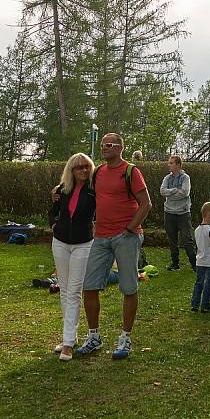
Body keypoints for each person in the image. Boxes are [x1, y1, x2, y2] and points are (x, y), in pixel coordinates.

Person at [76, 133, 151, 360]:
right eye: (102, 145)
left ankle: (125, 338)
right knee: (89, 286)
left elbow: (146, 204)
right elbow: (77, 186)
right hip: (100, 237)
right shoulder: (97, 172)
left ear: (120, 148)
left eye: (108, 145)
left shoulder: (131, 171)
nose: (103, 148)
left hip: (125, 237)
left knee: (129, 288)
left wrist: (130, 229)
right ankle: (94, 337)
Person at [49, 153, 95, 361]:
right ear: (71, 170)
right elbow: (53, 210)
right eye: (79, 167)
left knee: (75, 291)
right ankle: (71, 336)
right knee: (64, 290)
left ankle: (68, 343)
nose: (83, 171)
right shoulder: (62, 190)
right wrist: (54, 224)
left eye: (86, 167)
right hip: (60, 242)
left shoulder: (94, 191)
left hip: (83, 244)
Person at [160, 155, 196, 272]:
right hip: (169, 213)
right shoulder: (166, 178)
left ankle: (194, 264)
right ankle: (175, 264)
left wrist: (170, 193)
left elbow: (185, 193)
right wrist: (175, 190)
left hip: (183, 213)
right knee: (172, 240)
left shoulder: (186, 178)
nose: (168, 165)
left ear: (178, 165)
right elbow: (162, 191)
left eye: (171, 163)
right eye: (169, 163)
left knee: (187, 239)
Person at [191, 202, 210, 313]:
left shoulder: (197, 230)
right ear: (208, 215)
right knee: (209, 283)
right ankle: (205, 305)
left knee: (199, 282)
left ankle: (195, 304)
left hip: (200, 261)